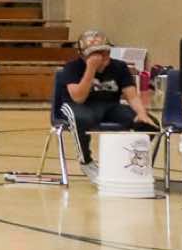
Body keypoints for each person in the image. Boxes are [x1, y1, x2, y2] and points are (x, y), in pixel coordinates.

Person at [59, 31, 158, 163]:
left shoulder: (119, 67)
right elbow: (78, 98)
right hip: (79, 106)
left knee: (149, 124)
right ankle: (85, 160)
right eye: (95, 53)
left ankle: (129, 160)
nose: (102, 56)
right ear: (83, 55)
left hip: (110, 106)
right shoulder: (72, 67)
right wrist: (90, 69)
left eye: (105, 52)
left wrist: (141, 113)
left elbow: (132, 96)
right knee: (82, 119)